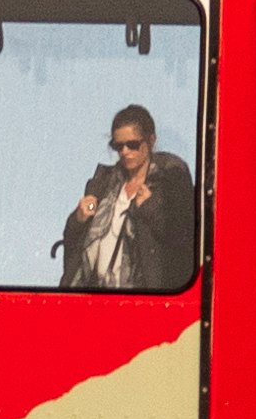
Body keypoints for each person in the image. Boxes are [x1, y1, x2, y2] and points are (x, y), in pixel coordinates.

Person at [56, 101, 200, 292]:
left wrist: (150, 208)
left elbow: (184, 238)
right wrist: (79, 218)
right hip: (95, 296)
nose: (125, 152)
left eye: (132, 145)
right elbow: (72, 239)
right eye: (118, 146)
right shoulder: (104, 184)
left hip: (143, 301)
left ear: (150, 141)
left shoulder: (168, 183)